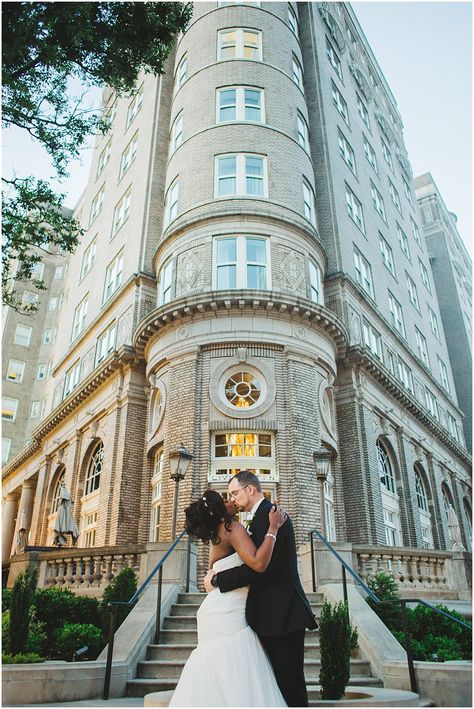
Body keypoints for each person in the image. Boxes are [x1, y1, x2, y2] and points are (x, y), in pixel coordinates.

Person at [204, 471, 317, 707]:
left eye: (235, 493)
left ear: (251, 490)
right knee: (274, 686)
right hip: (266, 616)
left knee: (290, 684)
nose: (233, 499)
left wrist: (218, 580)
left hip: (283, 614)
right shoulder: (254, 520)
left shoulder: (273, 515)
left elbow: (261, 568)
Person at [169, 488, 288, 707]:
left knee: (219, 675)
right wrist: (273, 527)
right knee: (238, 672)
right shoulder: (232, 528)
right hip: (228, 613)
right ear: (219, 511)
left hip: (214, 610)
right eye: (225, 499)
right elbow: (259, 564)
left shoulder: (217, 536)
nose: (230, 501)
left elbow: (216, 574)